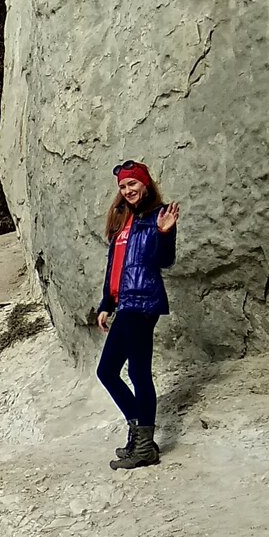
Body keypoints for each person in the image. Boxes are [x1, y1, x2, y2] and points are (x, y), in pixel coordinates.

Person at [96, 160, 179, 469]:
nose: (128, 190)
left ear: (145, 184)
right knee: (113, 372)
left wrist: (165, 233)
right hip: (125, 303)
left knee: (132, 373)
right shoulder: (122, 220)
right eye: (123, 186)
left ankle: (143, 443)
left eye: (133, 184)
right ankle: (141, 437)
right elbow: (114, 267)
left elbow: (164, 260)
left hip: (143, 302)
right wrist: (106, 303)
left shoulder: (158, 216)